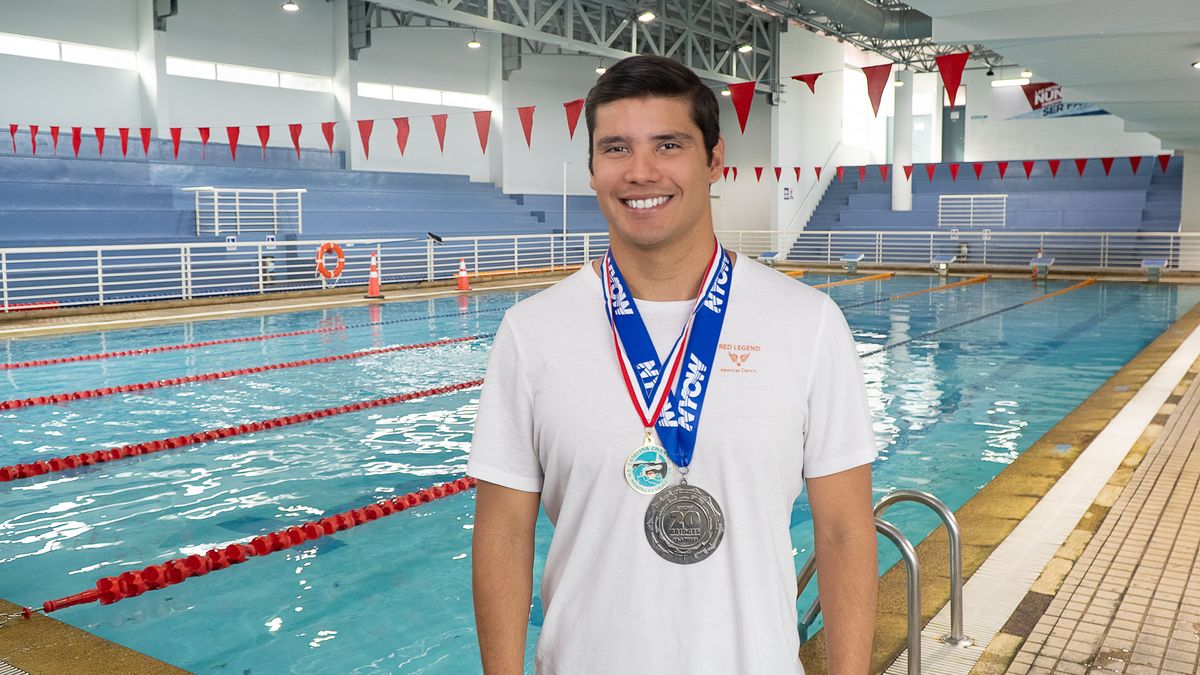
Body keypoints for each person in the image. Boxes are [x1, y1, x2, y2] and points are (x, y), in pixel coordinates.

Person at [469, 54, 877, 674]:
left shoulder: (808, 322)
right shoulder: (532, 333)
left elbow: (846, 531)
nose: (640, 171)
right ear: (591, 169)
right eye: (616, 148)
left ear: (714, 160)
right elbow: (502, 535)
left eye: (668, 144)